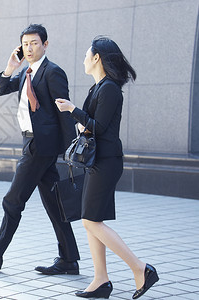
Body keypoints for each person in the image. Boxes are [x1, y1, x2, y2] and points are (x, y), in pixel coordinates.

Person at [0, 24, 81, 275]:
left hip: (40, 147)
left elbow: (64, 110)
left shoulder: (52, 72)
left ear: (45, 45)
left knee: (13, 201)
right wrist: (10, 67)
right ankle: (69, 259)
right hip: (32, 144)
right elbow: (0, 89)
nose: (29, 48)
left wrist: (68, 150)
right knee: (53, 203)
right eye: (25, 44)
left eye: (34, 43)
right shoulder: (27, 71)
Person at [55, 36, 159, 299]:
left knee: (91, 220)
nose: (83, 59)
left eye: (86, 55)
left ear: (97, 58)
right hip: (97, 161)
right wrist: (80, 120)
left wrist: (72, 110)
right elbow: (92, 125)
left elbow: (98, 127)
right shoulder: (99, 87)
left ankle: (141, 268)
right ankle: (101, 280)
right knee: (91, 221)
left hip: (106, 162)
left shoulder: (109, 88)